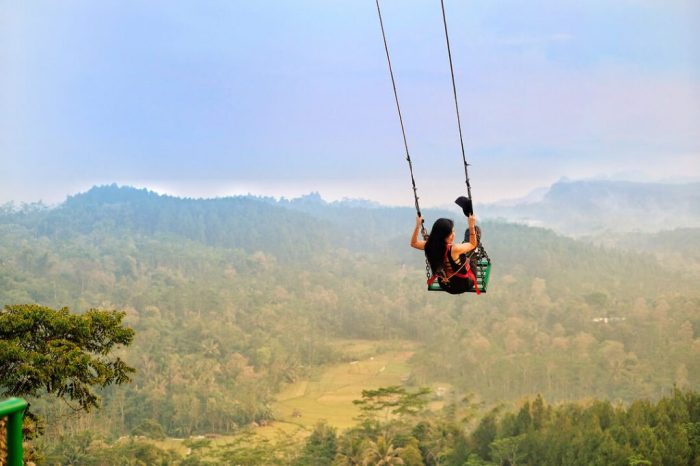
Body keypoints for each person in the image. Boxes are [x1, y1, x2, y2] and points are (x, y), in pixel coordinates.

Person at [410, 196, 479, 294]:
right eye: (451, 233)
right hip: (464, 284)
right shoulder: (454, 249)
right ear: (444, 236)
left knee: (464, 248)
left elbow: (413, 243)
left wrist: (417, 225)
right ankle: (474, 253)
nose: (453, 235)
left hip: (446, 285)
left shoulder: (430, 246)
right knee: (471, 250)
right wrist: (472, 226)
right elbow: (473, 244)